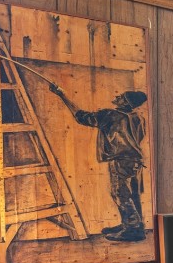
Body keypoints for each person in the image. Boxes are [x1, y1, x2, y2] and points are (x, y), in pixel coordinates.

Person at [50, 85, 148, 241]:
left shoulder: (110, 115)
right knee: (132, 193)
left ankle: (133, 229)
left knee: (120, 193)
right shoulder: (138, 117)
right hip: (136, 160)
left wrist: (62, 95)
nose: (117, 97)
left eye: (121, 97)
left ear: (126, 102)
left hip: (121, 160)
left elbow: (81, 116)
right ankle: (132, 224)